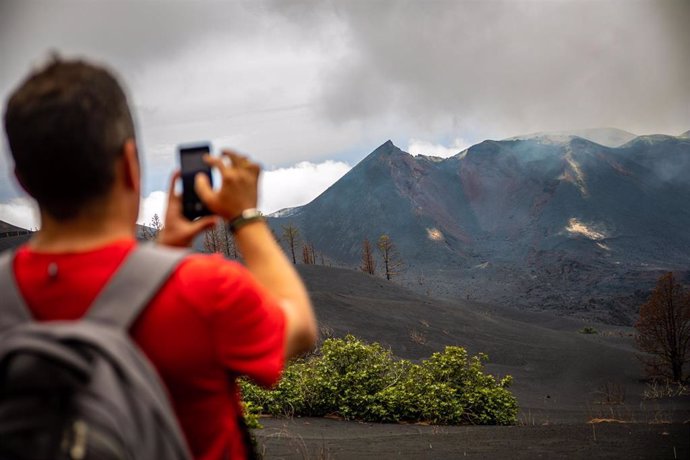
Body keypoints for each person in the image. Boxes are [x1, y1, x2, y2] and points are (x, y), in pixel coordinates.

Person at [2, 57, 317, 460]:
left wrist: (159, 258)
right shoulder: (204, 290)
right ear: (130, 166)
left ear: (22, 180)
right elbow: (300, 328)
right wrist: (245, 217)